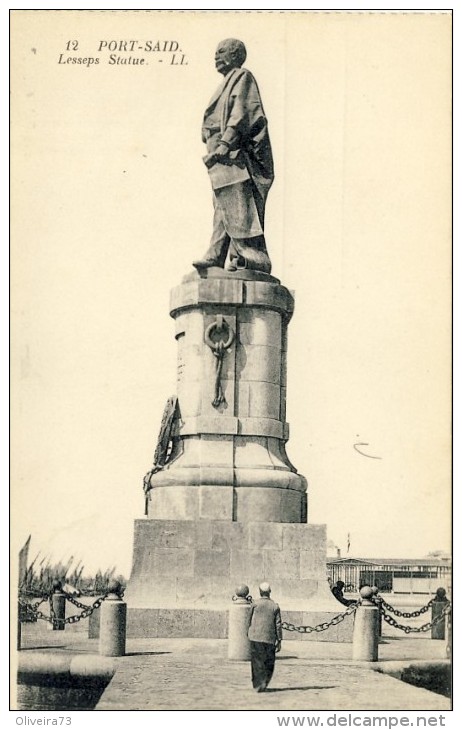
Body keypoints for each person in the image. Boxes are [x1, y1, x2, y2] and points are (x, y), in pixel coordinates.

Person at [193, 38, 274, 275]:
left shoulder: (243, 77)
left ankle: (251, 256)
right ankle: (219, 253)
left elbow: (242, 113)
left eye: (221, 52)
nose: (216, 56)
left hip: (236, 155)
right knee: (223, 203)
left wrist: (225, 143)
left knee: (237, 203)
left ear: (236, 54)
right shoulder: (227, 82)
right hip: (223, 156)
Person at [247, 582, 282, 692]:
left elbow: (249, 620)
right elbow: (278, 624)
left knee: (257, 661)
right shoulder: (275, 606)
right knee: (269, 661)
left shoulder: (255, 604)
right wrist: (279, 639)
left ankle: (258, 683)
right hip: (269, 638)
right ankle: (265, 682)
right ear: (269, 592)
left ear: (260, 592)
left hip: (256, 637)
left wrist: (248, 632)